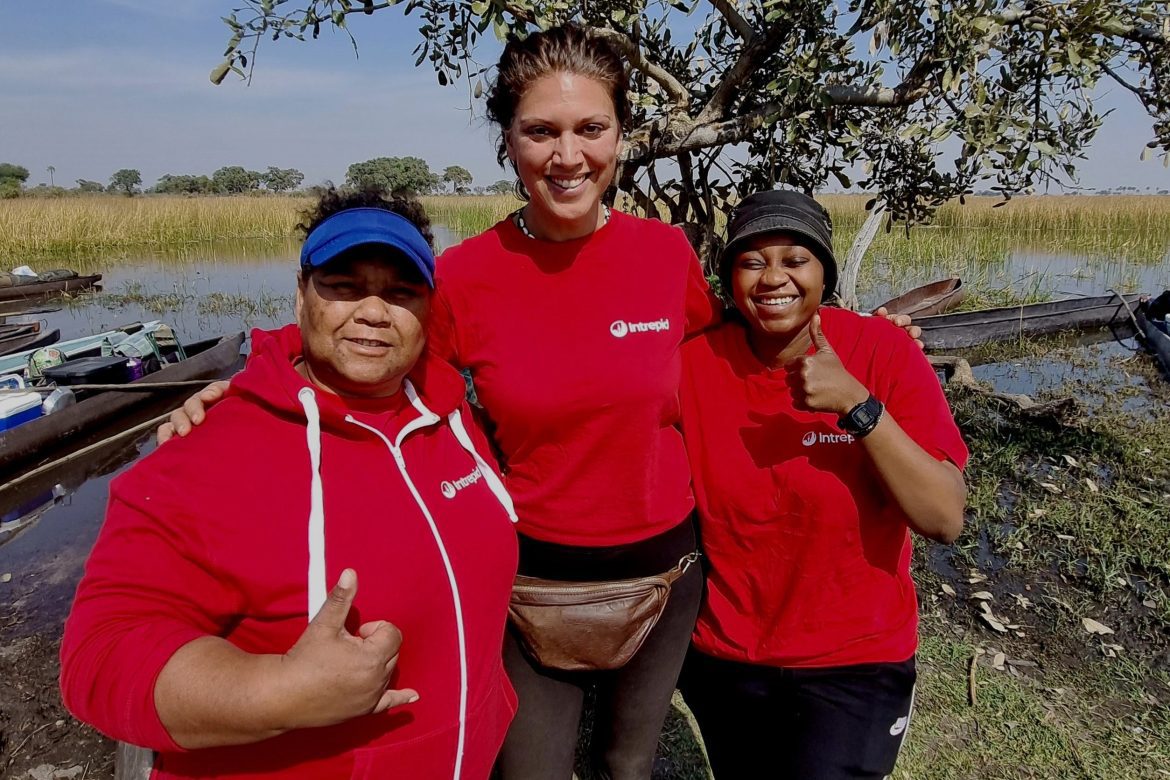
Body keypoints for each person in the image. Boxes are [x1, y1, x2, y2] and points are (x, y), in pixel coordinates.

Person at [157, 25, 924, 780]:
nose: (568, 156)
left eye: (591, 128)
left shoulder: (663, 256)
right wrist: (255, 381)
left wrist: (869, 344)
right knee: (531, 769)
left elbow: (739, 346)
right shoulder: (466, 275)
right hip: (531, 584)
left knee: (629, 763)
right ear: (508, 141)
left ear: (620, 135)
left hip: (667, 578)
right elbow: (375, 356)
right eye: (540, 131)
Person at [60, 189, 520, 780]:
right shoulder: (206, 454)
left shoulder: (454, 417)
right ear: (300, 297)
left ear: (428, 309)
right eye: (344, 286)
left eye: (401, 292)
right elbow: (100, 654)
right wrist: (277, 691)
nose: (375, 312)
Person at [676, 190, 968, 780]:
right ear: (729, 278)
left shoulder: (880, 350)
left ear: (825, 274)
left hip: (856, 662)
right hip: (726, 658)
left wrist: (858, 405)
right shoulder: (694, 364)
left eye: (795, 259)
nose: (773, 278)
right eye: (752, 261)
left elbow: (943, 516)